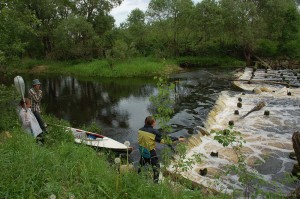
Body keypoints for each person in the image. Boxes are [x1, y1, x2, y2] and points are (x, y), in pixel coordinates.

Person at [138, 116, 185, 183]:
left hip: (142, 150)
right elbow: (165, 139)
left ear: (145, 122)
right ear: (153, 123)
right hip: (150, 152)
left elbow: (147, 138)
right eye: (155, 122)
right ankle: (155, 183)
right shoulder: (153, 132)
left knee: (141, 165)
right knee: (156, 168)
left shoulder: (140, 130)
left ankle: (137, 177)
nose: (155, 123)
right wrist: (178, 139)